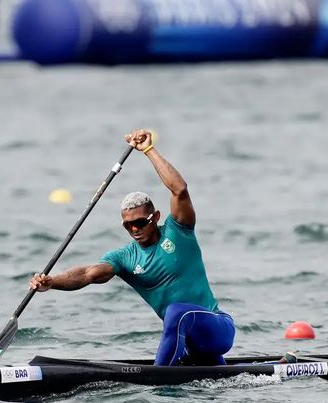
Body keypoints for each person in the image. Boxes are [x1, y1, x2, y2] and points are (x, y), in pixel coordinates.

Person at [29, 129, 235, 366]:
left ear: (155, 217)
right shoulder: (126, 257)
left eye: (139, 222)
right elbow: (87, 274)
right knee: (187, 334)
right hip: (191, 343)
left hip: (218, 329)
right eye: (128, 225)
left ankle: (159, 379)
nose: (134, 229)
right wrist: (51, 282)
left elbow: (179, 189)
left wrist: (148, 150)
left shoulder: (179, 231)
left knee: (177, 312)